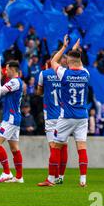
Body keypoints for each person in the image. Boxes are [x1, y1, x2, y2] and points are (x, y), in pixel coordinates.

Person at [38, 36, 90, 187]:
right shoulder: (86, 74)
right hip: (82, 117)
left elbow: (54, 61)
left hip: (66, 116)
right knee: (81, 147)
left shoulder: (64, 74)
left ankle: (51, 179)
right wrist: (74, 51)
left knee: (56, 146)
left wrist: (64, 47)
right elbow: (77, 62)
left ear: (67, 62)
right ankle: (83, 180)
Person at [0, 61, 24, 184]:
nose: (5, 71)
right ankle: (19, 177)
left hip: (10, 118)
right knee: (14, 148)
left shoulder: (15, 82)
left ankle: (7, 172)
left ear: (12, 69)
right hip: (14, 117)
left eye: (7, 69)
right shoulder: (15, 82)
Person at [37, 53, 67, 184]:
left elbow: (39, 92)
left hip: (50, 115)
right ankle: (61, 176)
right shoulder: (67, 74)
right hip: (65, 115)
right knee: (63, 146)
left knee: (53, 147)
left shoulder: (44, 74)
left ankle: (52, 178)